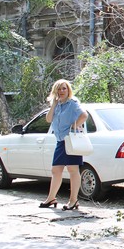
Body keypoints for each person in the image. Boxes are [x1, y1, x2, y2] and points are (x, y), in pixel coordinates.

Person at [39, 79, 88, 211]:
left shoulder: (72, 103)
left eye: (64, 88)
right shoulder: (57, 105)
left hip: (71, 141)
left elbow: (84, 115)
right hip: (60, 141)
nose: (61, 91)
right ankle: (51, 198)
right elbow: (48, 119)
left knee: (73, 170)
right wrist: (54, 104)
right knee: (56, 170)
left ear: (68, 90)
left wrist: (73, 127)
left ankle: (73, 200)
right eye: (59, 89)